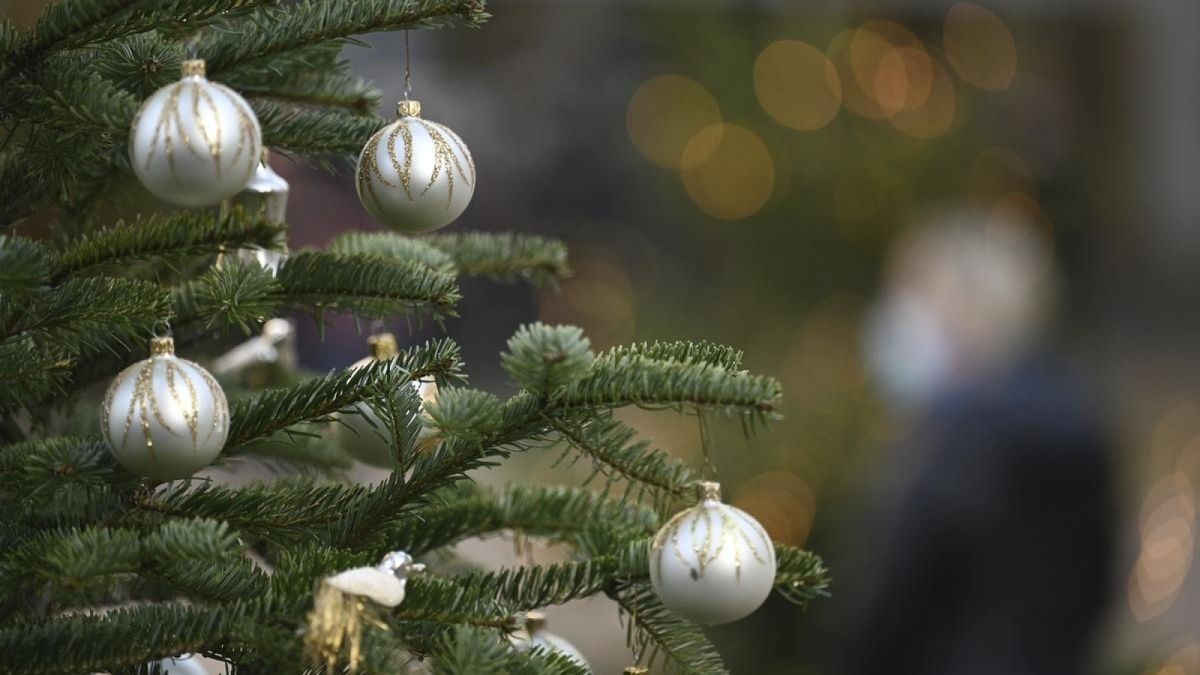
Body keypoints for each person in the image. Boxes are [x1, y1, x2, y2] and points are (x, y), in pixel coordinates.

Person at [841, 212, 1115, 675]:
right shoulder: (1071, 412)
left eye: (916, 291)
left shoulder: (965, 437)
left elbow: (895, 600)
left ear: (972, 304)